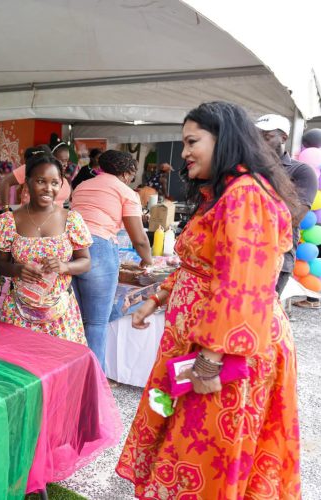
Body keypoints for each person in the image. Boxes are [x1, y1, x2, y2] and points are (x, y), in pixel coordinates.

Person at [117, 101, 301, 498]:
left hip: (224, 355)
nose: (183, 152)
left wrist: (208, 362)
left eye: (191, 141)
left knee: (206, 453)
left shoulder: (247, 195)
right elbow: (201, 265)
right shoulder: (225, 192)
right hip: (202, 349)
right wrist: (158, 298)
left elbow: (246, 282)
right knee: (185, 444)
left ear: (224, 139)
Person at [0, 152, 92, 343]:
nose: (48, 188)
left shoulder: (71, 219)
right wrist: (17, 269)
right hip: (18, 313)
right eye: (40, 181)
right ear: (27, 182)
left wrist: (65, 267)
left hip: (61, 315)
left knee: (61, 366)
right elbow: (0, 264)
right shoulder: (8, 220)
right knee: (20, 368)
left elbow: (85, 262)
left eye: (54, 183)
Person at [71, 150, 153, 370]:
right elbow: (139, 238)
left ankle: (74, 374)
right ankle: (96, 382)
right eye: (132, 176)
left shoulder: (82, 185)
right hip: (99, 249)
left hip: (69, 250)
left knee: (76, 320)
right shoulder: (125, 192)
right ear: (127, 173)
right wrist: (148, 260)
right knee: (97, 322)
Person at [255, 114, 316, 295]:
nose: (259, 143)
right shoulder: (248, 169)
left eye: (266, 137)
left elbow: (295, 217)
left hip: (276, 255)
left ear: (283, 138)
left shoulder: (302, 171)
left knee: (264, 313)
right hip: (243, 253)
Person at [0, 138, 72, 211]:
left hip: (56, 220)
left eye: (66, 161)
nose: (65, 164)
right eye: (61, 160)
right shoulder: (34, 167)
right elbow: (5, 182)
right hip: (30, 218)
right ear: (52, 157)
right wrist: (6, 209)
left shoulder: (63, 179)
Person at [293, 127, 321, 308]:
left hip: (311, 216)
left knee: (311, 254)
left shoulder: (308, 161)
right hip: (315, 218)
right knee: (314, 254)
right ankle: (313, 296)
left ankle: (313, 298)